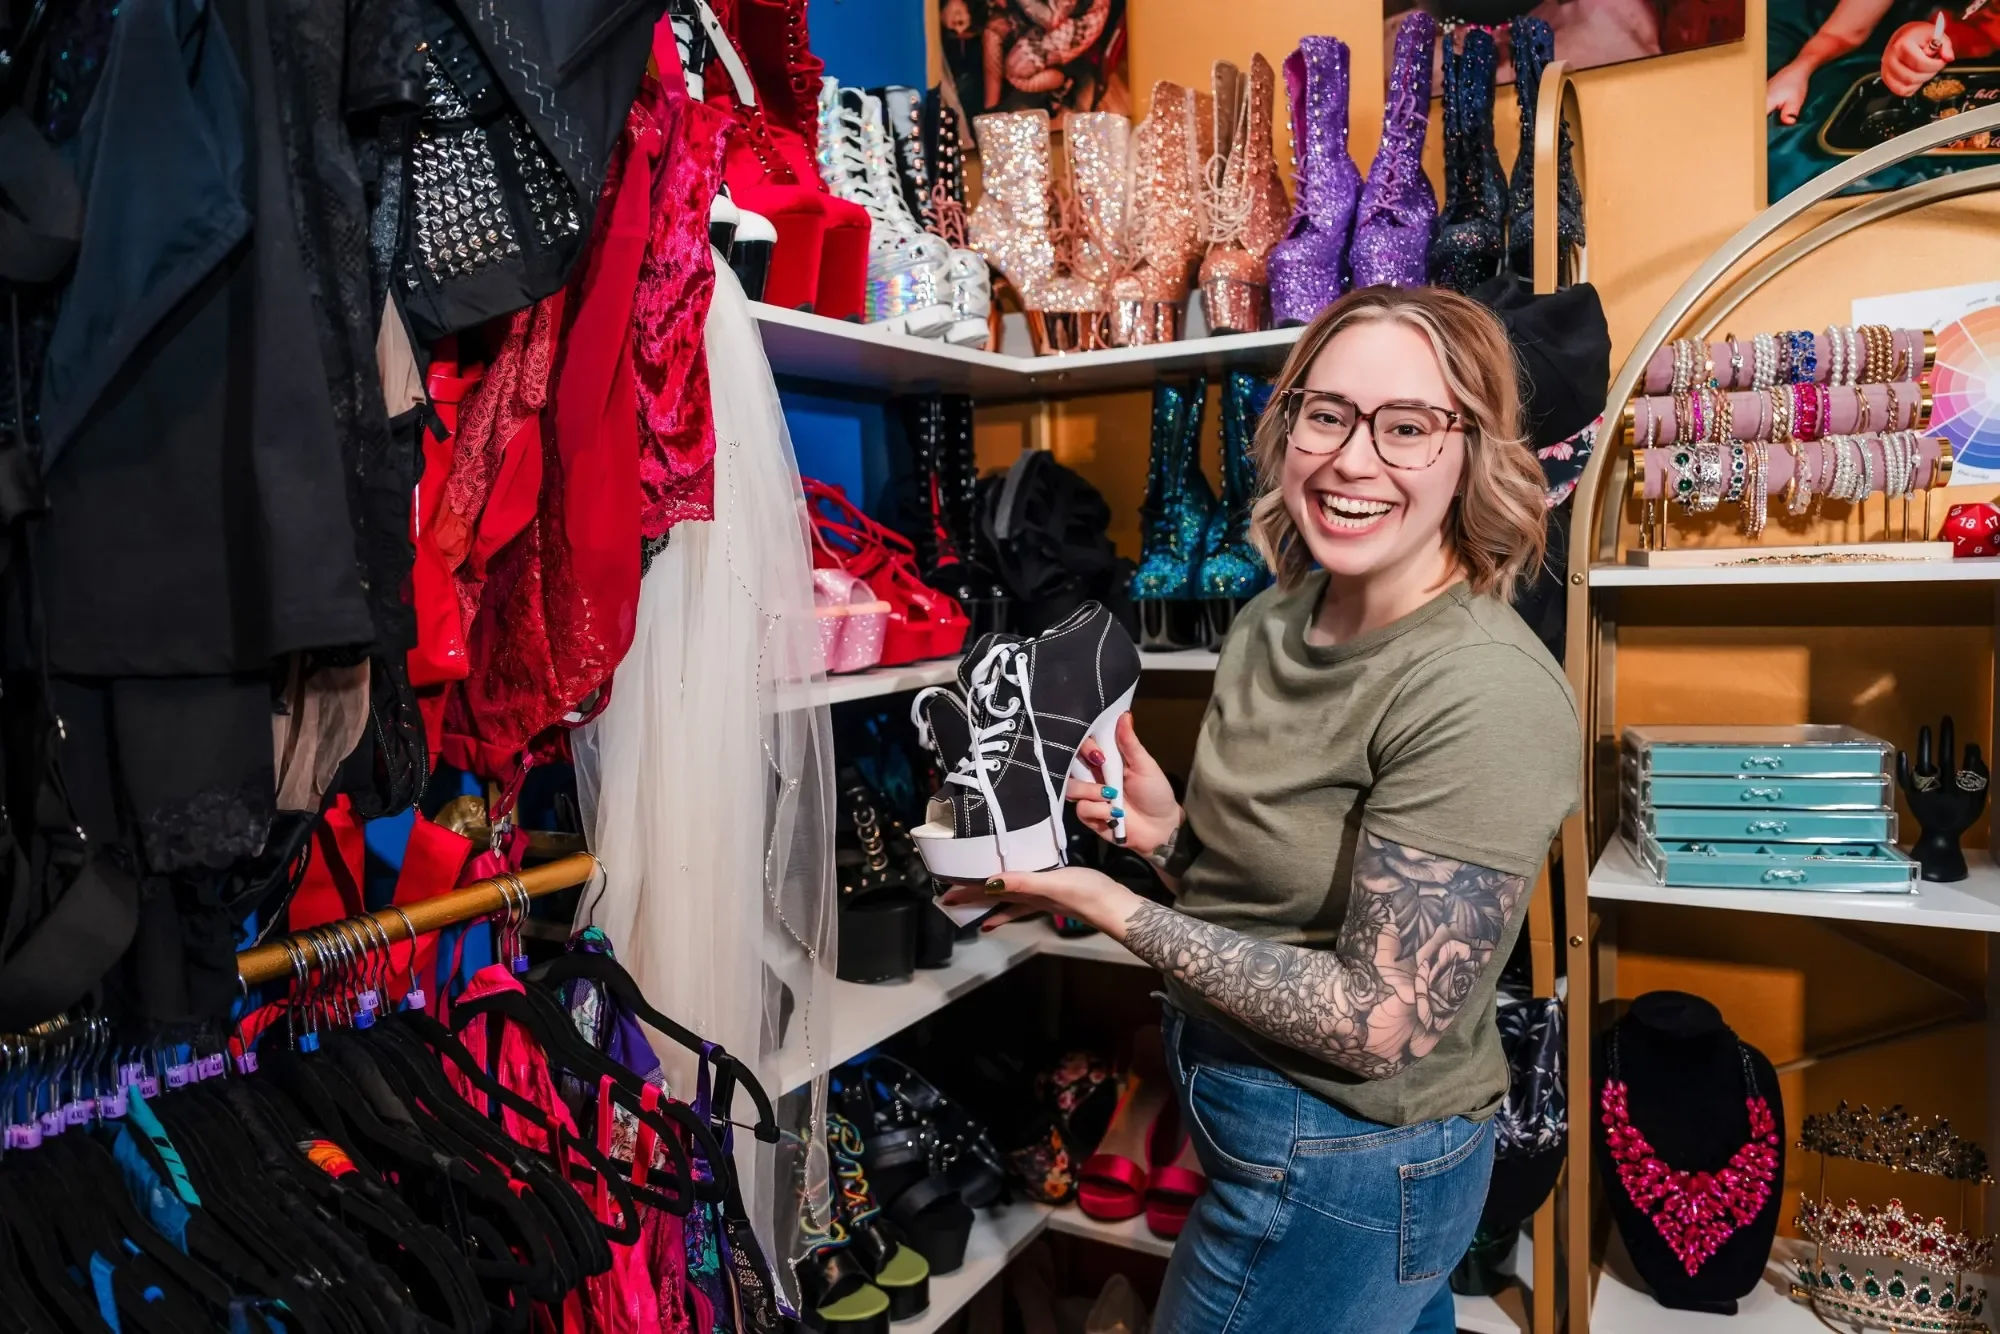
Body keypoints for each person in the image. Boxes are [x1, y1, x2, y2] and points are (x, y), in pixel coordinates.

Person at [943, 285, 1581, 1334]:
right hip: (1250, 1117)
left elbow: (1376, 1021)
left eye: (1406, 426)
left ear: (1472, 450)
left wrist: (1108, 903)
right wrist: (1168, 838)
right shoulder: (1274, 616)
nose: (1350, 459)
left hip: (1353, 1159)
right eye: (1323, 412)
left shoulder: (1479, 690)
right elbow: (1270, 900)